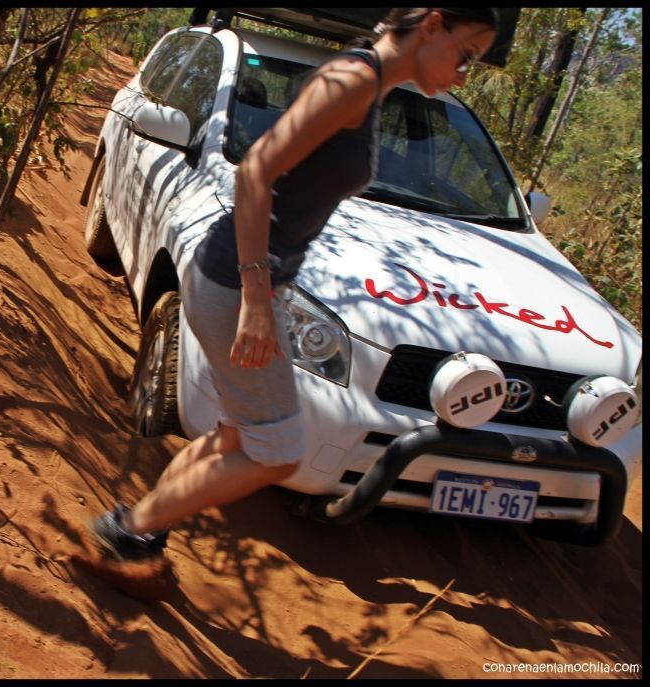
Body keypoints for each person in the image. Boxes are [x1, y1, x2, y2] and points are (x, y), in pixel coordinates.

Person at [87, 9, 500, 566]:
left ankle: (141, 536)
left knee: (238, 439)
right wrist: (257, 299)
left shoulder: (368, 87)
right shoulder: (350, 81)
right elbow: (256, 170)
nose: (463, 73)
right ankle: (129, 531)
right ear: (431, 25)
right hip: (235, 283)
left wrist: (268, 292)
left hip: (250, 282)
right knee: (279, 453)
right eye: (466, 54)